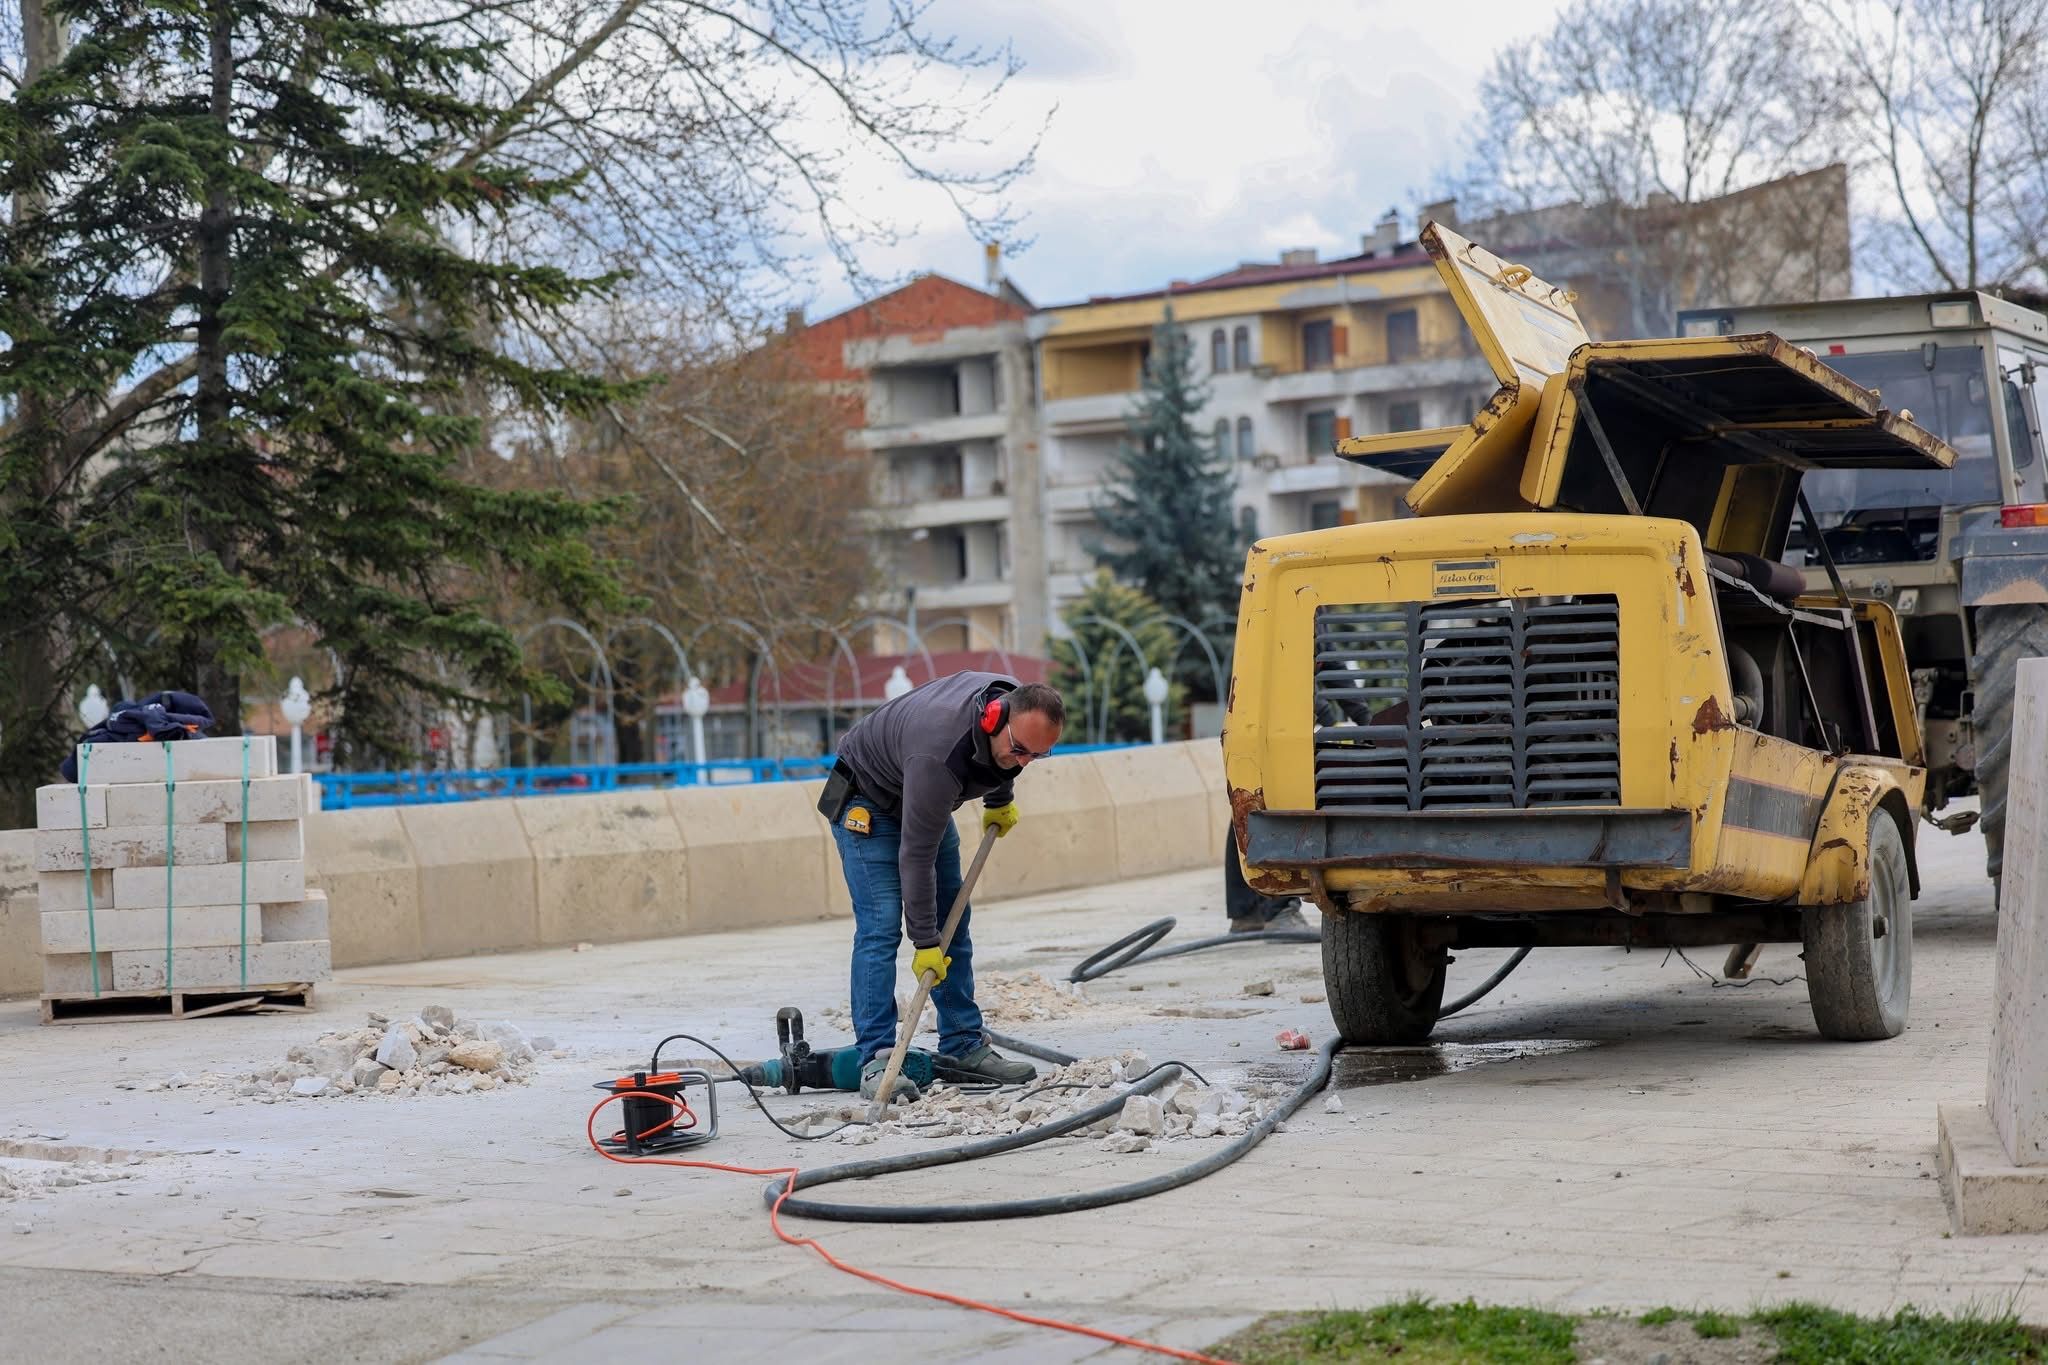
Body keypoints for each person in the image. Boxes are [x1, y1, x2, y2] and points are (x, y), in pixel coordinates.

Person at [823, 671, 1066, 1101]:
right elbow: (915, 857)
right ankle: (876, 1058)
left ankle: (962, 1045)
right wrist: (924, 942)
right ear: (994, 719)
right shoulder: (939, 754)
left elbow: (999, 761)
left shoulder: (1012, 715)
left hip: (921, 796)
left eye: (1038, 756)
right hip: (867, 801)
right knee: (881, 928)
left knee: (954, 918)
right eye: (1021, 750)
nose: (1025, 761)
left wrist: (1000, 800)